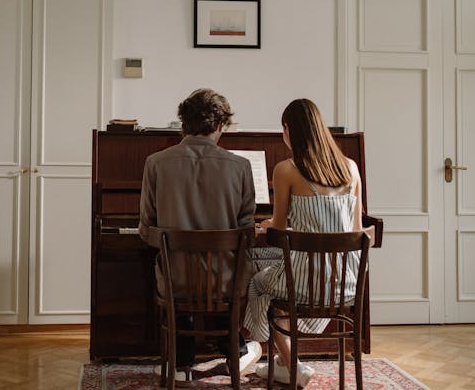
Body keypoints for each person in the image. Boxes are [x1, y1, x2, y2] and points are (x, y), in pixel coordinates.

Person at [138, 88, 263, 382]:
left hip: (176, 281)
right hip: (225, 282)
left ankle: (180, 363)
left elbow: (146, 229)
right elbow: (247, 234)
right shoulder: (240, 166)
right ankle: (234, 348)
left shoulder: (155, 163)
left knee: (168, 266)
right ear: (220, 125)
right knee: (228, 270)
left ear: (183, 123)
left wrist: (176, 241)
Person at [243, 98, 363, 387]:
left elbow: (280, 226)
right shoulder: (351, 168)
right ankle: (285, 363)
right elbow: (356, 231)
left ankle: (292, 366)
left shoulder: (287, 169)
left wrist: (266, 225)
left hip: (307, 281)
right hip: (345, 281)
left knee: (259, 284)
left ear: (288, 130)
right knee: (283, 287)